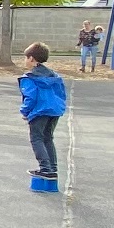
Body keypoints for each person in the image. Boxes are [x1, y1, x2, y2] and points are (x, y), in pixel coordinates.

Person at [18, 42, 66, 181]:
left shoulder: (30, 78)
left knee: (36, 138)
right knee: (48, 138)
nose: (25, 60)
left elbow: (30, 97)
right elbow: (61, 93)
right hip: (54, 110)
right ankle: (52, 168)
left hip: (40, 111)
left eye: (26, 58)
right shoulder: (54, 76)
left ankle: (45, 168)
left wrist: (25, 112)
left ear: (31, 58)